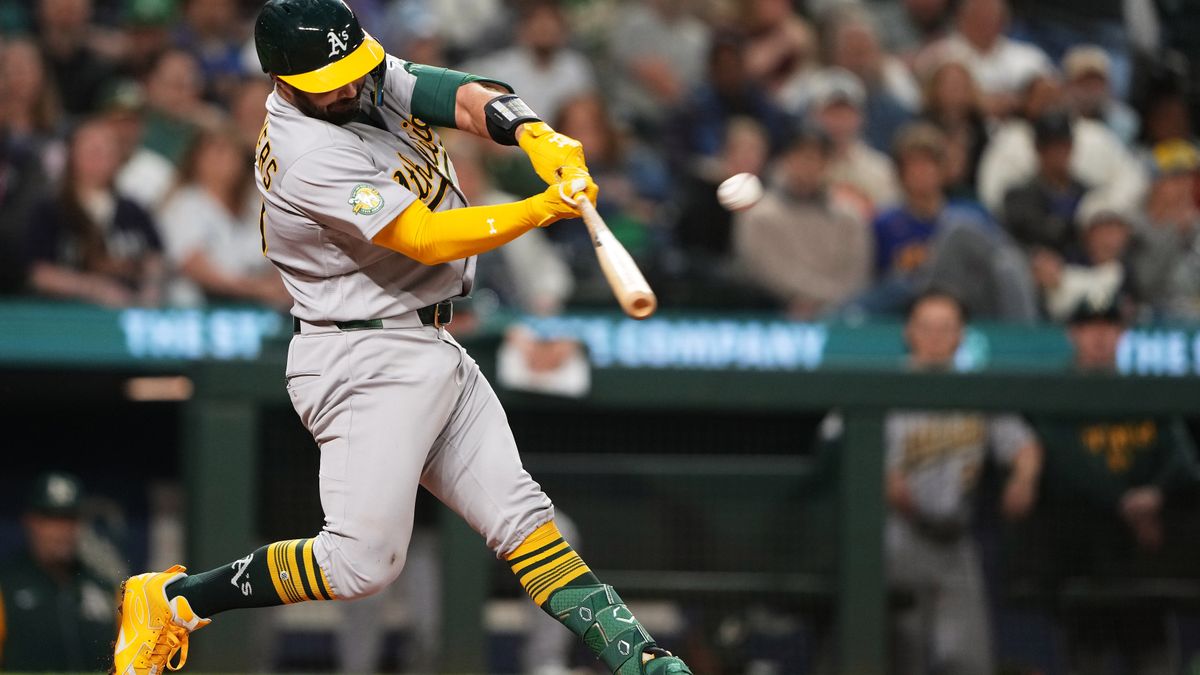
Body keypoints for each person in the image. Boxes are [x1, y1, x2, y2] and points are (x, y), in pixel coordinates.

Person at [111, 4, 693, 675]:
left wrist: (532, 132)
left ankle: (642, 661)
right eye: (329, 81)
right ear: (281, 80)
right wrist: (538, 208)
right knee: (359, 566)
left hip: (428, 338)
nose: (349, 87)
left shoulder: (354, 74)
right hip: (360, 356)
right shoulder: (306, 152)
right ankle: (175, 601)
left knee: (527, 521)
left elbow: (459, 95)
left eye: (352, 69)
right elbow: (422, 236)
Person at [1028, 296, 1200, 674]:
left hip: (1144, 561)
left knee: (1155, 659)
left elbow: (1184, 461)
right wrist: (1123, 501)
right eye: (1090, 328)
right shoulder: (1055, 392)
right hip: (1082, 557)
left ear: (1122, 334)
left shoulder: (1144, 390)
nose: (1100, 337)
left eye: (1109, 327)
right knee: (1087, 658)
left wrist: (1154, 495)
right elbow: (1063, 465)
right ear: (1073, 334)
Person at [884, 290, 1042, 675]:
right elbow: (837, 444)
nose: (935, 337)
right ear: (909, 332)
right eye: (926, 327)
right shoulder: (885, 385)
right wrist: (879, 476)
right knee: (902, 658)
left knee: (969, 662)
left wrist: (1023, 479)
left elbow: (1025, 446)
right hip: (896, 538)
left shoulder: (975, 387)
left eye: (946, 328)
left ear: (961, 335)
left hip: (956, 542)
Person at [733, 124, 873, 319]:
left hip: (842, 315)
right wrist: (806, 298)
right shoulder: (758, 215)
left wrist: (829, 304)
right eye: (801, 156)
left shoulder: (849, 216)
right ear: (785, 160)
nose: (807, 165)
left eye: (815, 158)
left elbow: (857, 273)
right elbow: (764, 271)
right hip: (772, 313)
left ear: (827, 164)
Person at [25, 117, 165, 308]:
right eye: (92, 151)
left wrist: (150, 289)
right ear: (72, 155)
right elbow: (38, 273)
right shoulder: (51, 209)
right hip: (65, 313)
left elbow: (155, 257)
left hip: (128, 310)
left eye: (108, 152)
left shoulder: (132, 210)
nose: (100, 159)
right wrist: (92, 288)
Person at [156, 126, 291, 308]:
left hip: (256, 310)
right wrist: (257, 289)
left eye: (233, 150)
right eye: (217, 149)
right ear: (197, 158)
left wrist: (279, 286)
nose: (226, 158)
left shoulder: (255, 205)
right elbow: (195, 268)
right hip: (198, 311)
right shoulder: (184, 203)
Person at [0, 472, 116, 672]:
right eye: (51, 518)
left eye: (69, 518)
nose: (61, 530)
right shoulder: (5, 587)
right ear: (31, 522)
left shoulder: (106, 590)